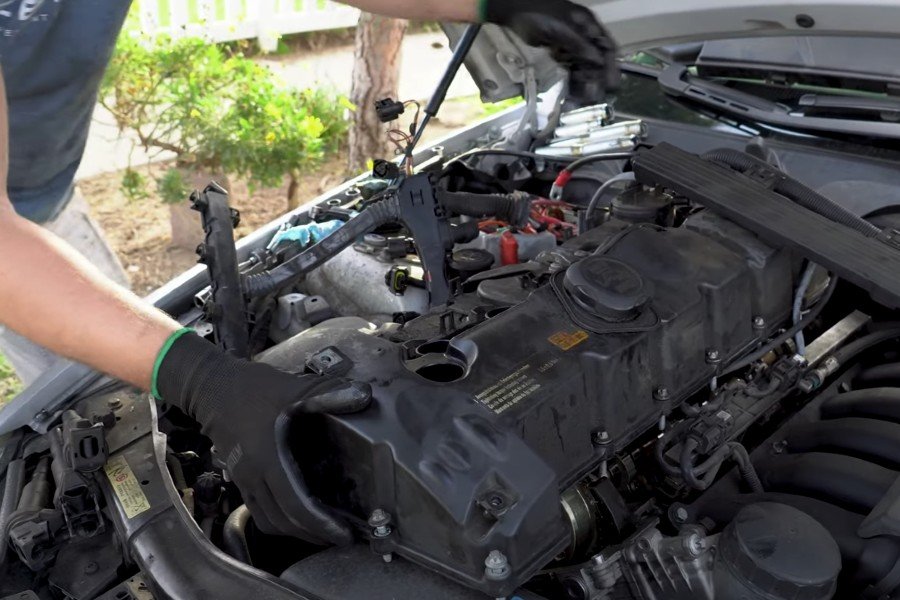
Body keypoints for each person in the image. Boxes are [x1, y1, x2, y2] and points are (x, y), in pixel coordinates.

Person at [0, 0, 617, 545]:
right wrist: (200, 378)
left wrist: (488, 1)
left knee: (118, 355)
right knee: (88, 414)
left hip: (39, 193)